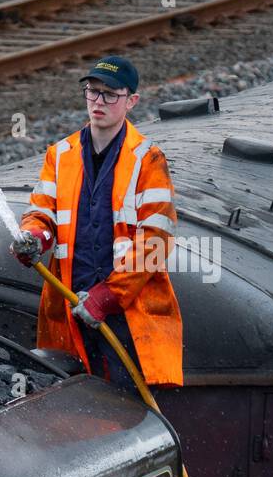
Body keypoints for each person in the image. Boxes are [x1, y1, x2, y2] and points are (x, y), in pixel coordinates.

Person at [10, 55, 183, 394]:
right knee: (77, 397)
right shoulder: (60, 155)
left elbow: (156, 240)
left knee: (124, 401)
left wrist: (108, 297)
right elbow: (42, 213)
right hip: (71, 301)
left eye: (109, 94)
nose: (98, 102)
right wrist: (35, 237)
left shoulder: (147, 159)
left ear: (131, 101)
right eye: (92, 92)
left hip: (125, 311)